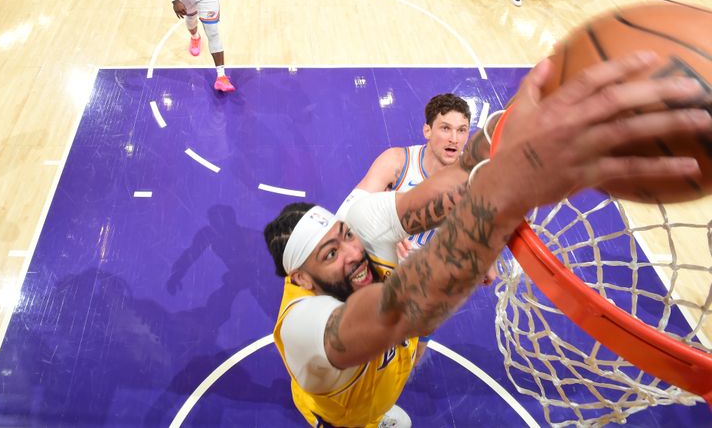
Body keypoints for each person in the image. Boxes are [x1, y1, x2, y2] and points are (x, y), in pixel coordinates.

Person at [264, 52, 709, 428]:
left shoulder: (357, 218)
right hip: (340, 416)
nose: (353, 251)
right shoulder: (303, 326)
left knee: (409, 348)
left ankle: (384, 403)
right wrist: (489, 223)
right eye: (331, 253)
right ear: (301, 276)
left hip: (392, 347)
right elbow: (394, 310)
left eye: (345, 237)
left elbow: (453, 183)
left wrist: (522, 131)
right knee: (398, 344)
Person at [337, 94, 472, 251]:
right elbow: (343, 218)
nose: (454, 139)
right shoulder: (397, 162)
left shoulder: (474, 177)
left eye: (462, 130)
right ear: (427, 131)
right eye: (445, 128)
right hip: (387, 265)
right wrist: (380, 233)